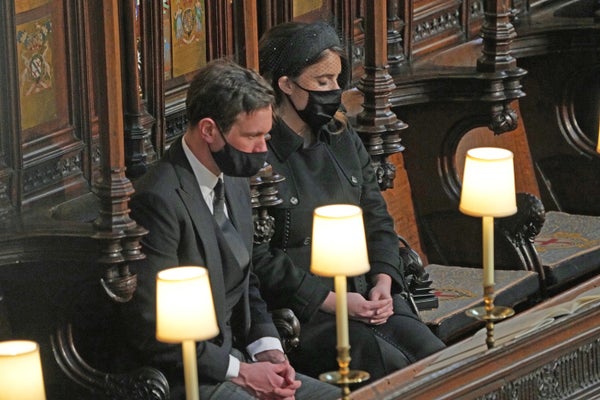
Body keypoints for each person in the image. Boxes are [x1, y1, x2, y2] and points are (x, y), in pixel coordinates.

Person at [120, 59, 339, 400]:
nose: (263, 150)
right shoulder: (157, 200)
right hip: (188, 376)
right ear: (209, 130)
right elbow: (155, 329)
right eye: (252, 136)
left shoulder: (234, 178)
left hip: (237, 358)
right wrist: (243, 373)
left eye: (266, 135)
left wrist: (268, 348)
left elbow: (245, 275)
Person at [253, 21, 446, 382]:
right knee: (383, 362)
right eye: (322, 82)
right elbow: (260, 259)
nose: (334, 91)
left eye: (337, 80)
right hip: (307, 311)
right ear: (286, 84)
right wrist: (335, 303)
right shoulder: (261, 152)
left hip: (366, 294)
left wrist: (384, 281)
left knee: (436, 358)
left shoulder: (343, 138)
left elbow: (377, 219)